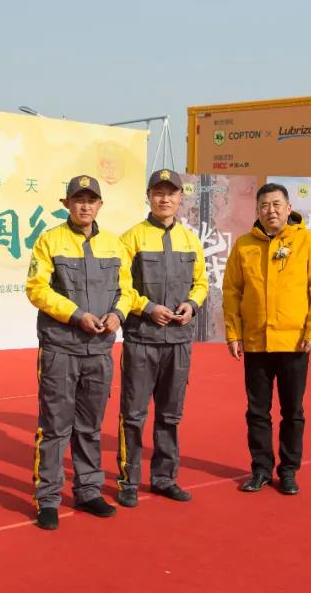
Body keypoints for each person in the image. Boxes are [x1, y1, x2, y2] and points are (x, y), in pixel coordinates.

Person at [25, 174, 136, 530]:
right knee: (55, 426)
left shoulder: (115, 245)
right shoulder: (49, 240)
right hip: (61, 347)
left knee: (89, 426)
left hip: (99, 350)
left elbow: (127, 290)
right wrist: (75, 315)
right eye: (78, 200)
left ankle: (88, 490)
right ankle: (48, 498)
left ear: (100, 205)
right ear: (67, 204)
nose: (84, 206)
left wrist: (118, 314)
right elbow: (36, 288)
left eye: (91, 200)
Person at [222, 182, 311, 495]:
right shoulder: (244, 245)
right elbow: (232, 292)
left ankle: (288, 471)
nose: (270, 211)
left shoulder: (308, 242)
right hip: (256, 343)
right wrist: (234, 333)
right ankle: (260, 469)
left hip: (294, 343)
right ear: (257, 210)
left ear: (288, 208)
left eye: (276, 204)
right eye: (264, 206)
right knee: (257, 412)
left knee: (292, 411)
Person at [116, 169, 209, 508]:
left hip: (178, 343)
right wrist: (147, 308)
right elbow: (122, 287)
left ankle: (164, 478)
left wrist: (192, 305)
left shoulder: (190, 240)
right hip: (142, 339)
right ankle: (128, 480)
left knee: (170, 414)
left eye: (171, 193)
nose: (164, 199)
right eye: (158, 193)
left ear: (180, 198)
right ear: (149, 196)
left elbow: (201, 283)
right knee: (133, 414)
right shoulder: (131, 239)